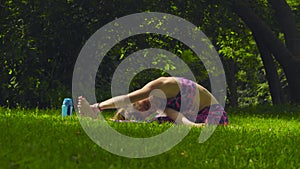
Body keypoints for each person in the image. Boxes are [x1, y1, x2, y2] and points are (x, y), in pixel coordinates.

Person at [77, 77, 228, 127]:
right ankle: (111, 121)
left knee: (161, 120)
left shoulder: (159, 86)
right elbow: (182, 121)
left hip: (214, 114)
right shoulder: (165, 105)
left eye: (146, 105)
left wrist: (97, 107)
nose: (151, 108)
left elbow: (125, 98)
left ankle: (95, 112)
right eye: (147, 110)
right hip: (199, 118)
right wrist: (195, 127)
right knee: (160, 120)